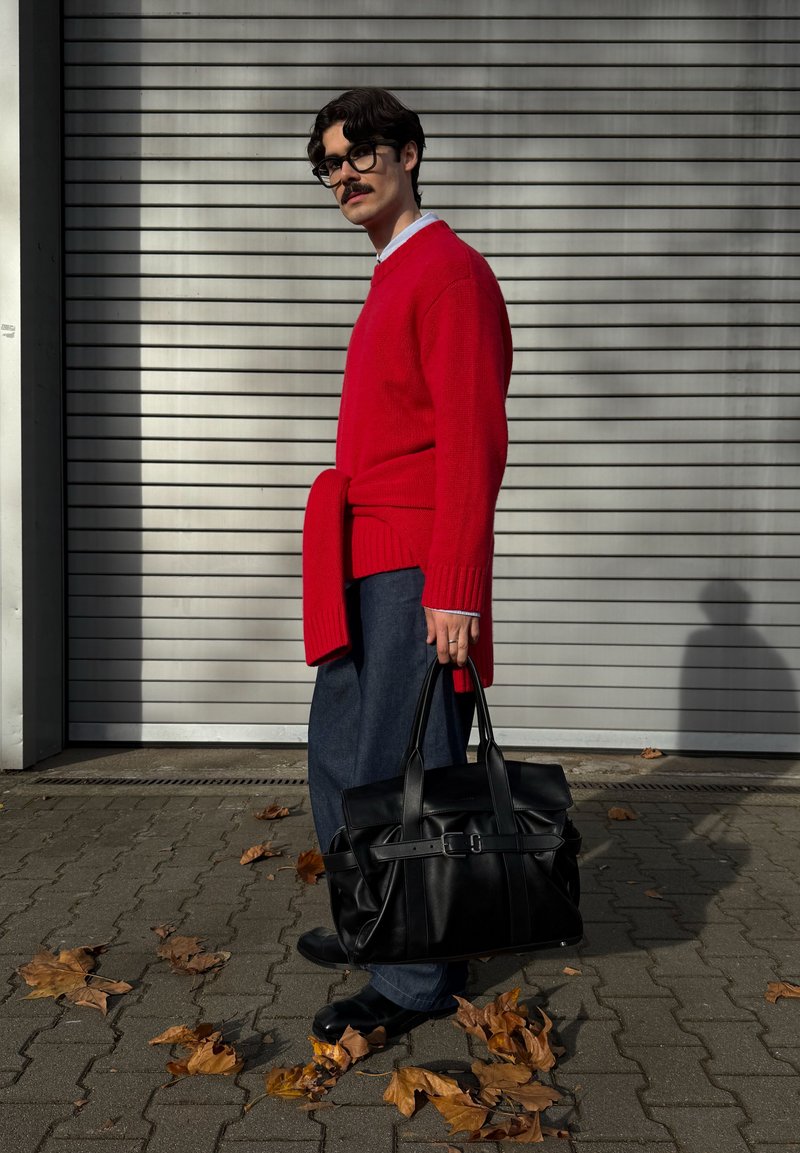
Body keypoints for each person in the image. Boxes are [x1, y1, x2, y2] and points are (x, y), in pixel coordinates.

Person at [300, 88, 513, 1042]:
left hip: (415, 571)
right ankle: (379, 919)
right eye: (329, 163)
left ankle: (414, 980)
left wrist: (455, 589)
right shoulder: (393, 272)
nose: (344, 173)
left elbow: (473, 443)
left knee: (403, 769)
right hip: (363, 560)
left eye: (360, 153)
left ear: (410, 153)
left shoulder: (450, 273)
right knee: (345, 759)